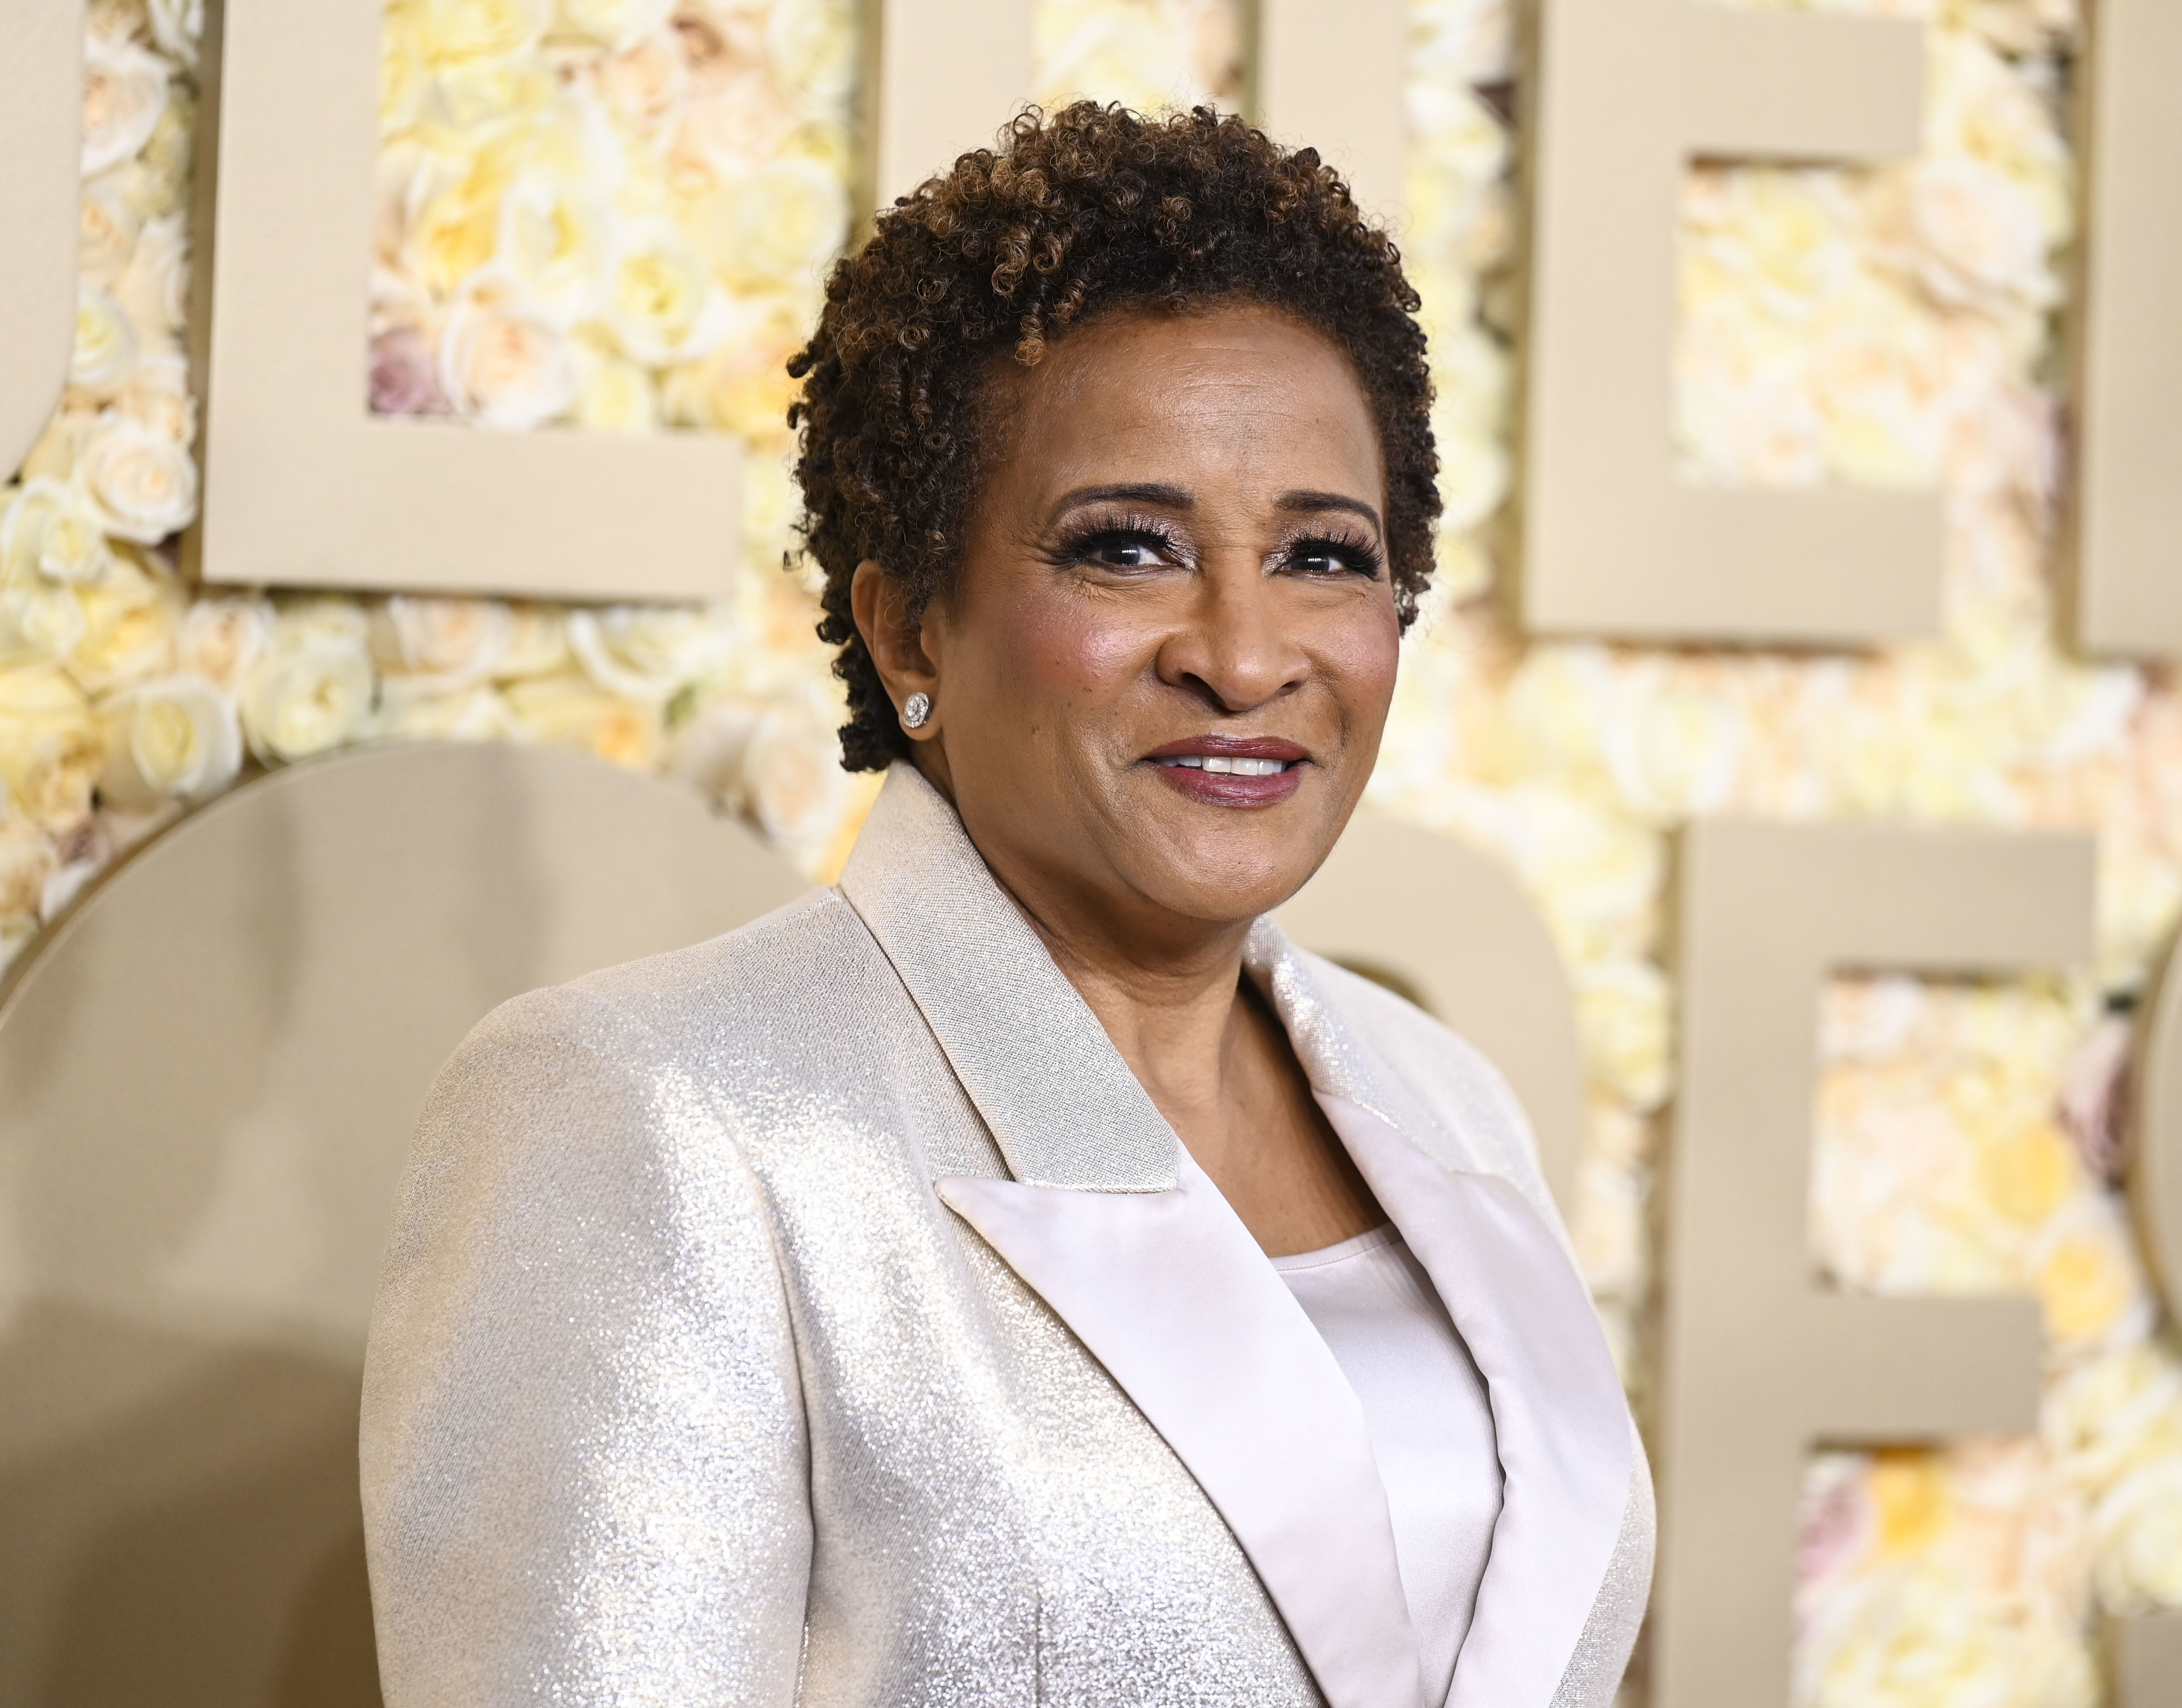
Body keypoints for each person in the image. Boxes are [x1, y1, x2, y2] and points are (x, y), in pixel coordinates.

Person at [360, 101, 1651, 1708]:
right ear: (906, 633)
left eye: (1323, 555)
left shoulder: (1446, 1101)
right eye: (1126, 549)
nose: (1244, 656)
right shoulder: (651, 1116)